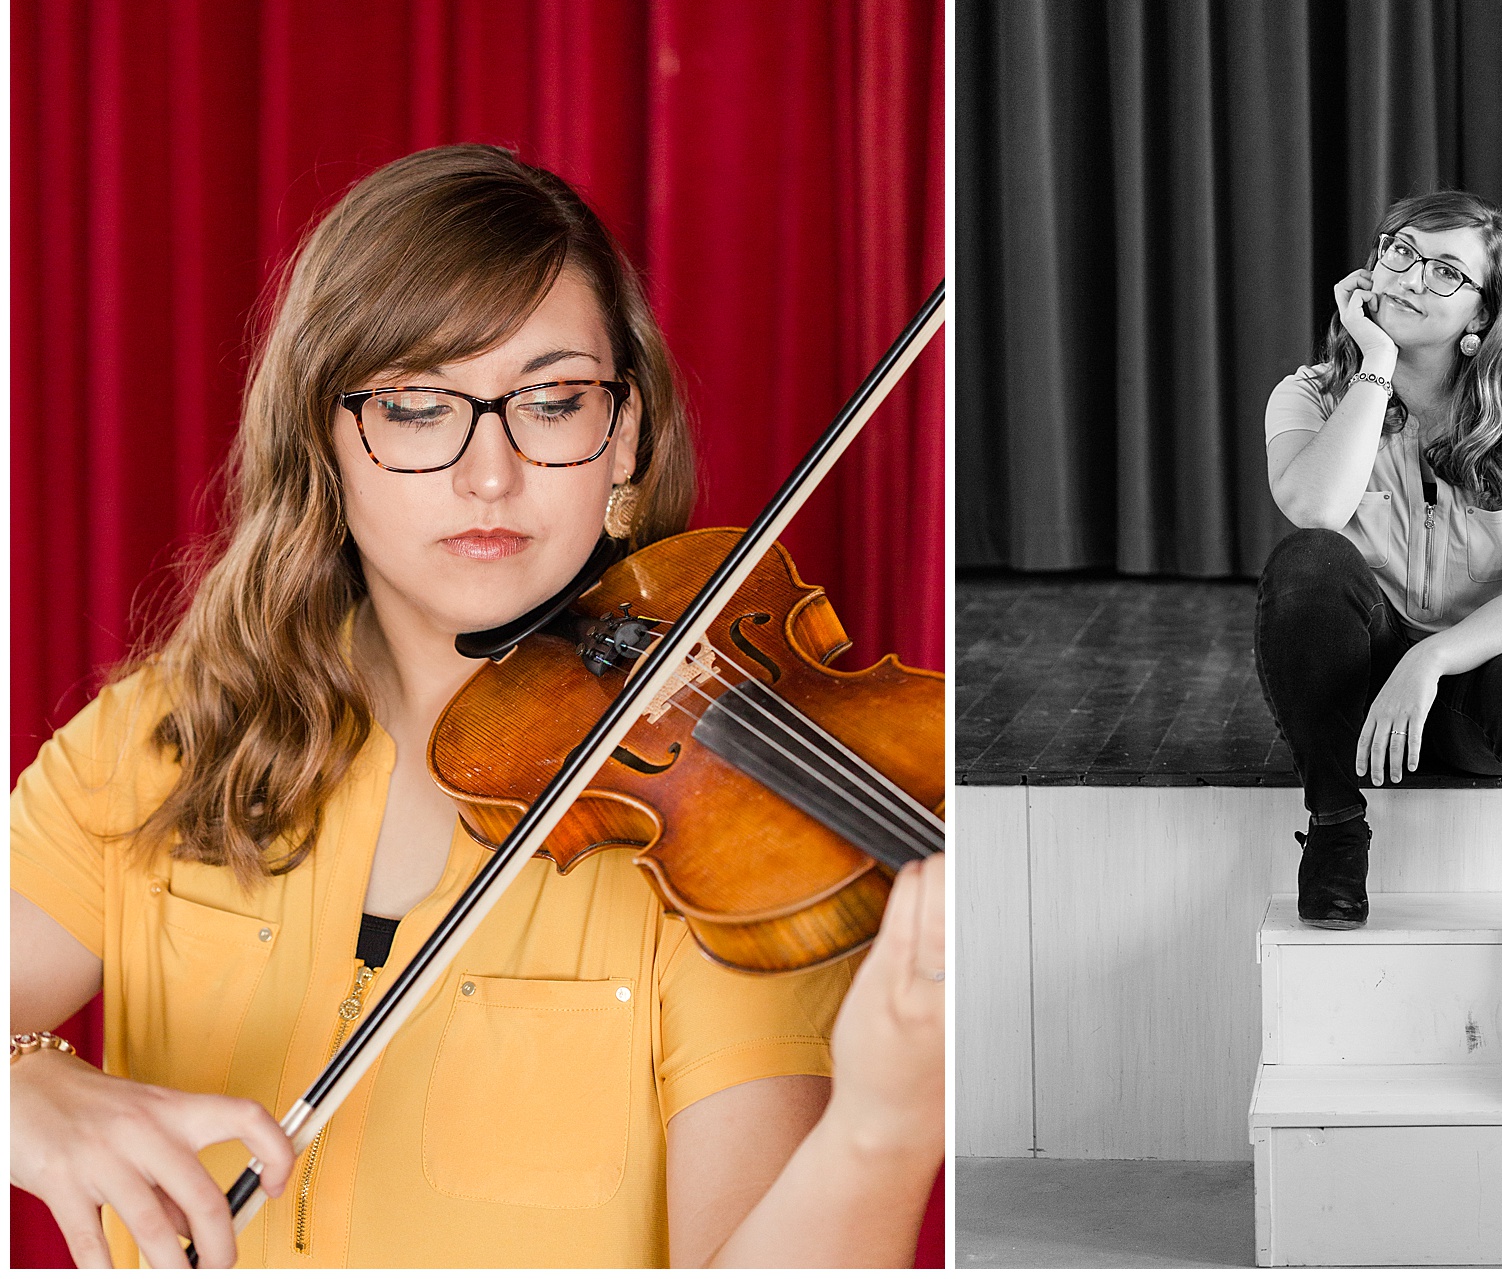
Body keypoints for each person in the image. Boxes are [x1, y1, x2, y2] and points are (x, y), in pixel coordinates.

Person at [9, 144, 945, 1268]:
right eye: (416, 406)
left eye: (552, 402)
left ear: (625, 437)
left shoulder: (718, 841)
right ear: (326, 441)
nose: (489, 472)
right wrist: (27, 1080)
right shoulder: (165, 741)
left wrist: (883, 1129)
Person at [1253, 190, 1502, 1105]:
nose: (1410, 276)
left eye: (1445, 270)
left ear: (1482, 314)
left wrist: (1430, 658)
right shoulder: (1310, 393)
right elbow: (1313, 509)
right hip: (1356, 707)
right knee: (1308, 565)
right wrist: (1376, 367)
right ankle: (1338, 832)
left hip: (1475, 695)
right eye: (1397, 251)